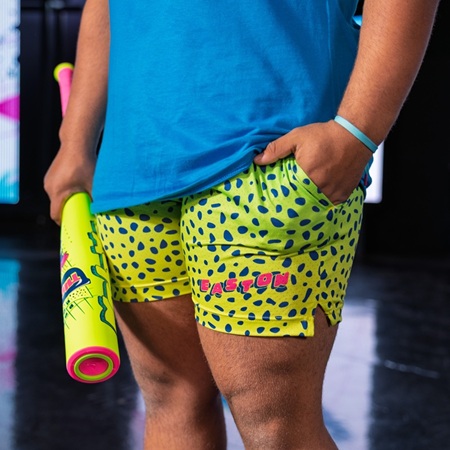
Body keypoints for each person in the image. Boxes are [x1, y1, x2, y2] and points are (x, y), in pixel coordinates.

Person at [44, 1, 440, 448]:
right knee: (172, 402)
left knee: (274, 423)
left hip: (268, 160)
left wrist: (357, 131)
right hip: (132, 174)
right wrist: (74, 142)